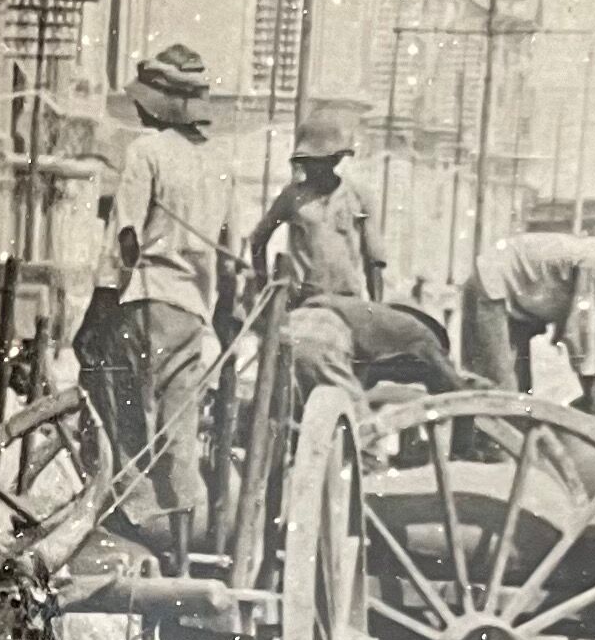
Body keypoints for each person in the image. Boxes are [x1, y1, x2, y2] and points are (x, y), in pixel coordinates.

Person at [83, 44, 234, 563]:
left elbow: (125, 238)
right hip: (193, 307)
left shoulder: (146, 153)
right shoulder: (217, 163)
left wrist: (98, 308)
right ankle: (183, 542)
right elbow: (228, 250)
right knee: (178, 422)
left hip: (146, 297)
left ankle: (133, 515)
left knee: (115, 402)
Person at [460, 212, 595, 405]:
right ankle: (479, 449)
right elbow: (581, 330)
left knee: (523, 393)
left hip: (521, 302)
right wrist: (588, 387)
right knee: (499, 386)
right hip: (493, 284)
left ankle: (506, 443)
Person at [248, 107, 384, 303]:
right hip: (304, 302)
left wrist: (376, 308)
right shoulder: (292, 196)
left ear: (334, 160)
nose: (310, 167)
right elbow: (258, 240)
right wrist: (263, 284)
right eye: (306, 161)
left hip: (349, 300)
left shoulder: (359, 196)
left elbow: (374, 259)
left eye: (318, 161)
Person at [282, 293, 470, 401]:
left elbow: (362, 382)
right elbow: (447, 373)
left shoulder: (370, 322)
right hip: (327, 328)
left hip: (294, 321)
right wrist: (464, 389)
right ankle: (371, 462)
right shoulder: (420, 331)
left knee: (296, 404)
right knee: (355, 415)